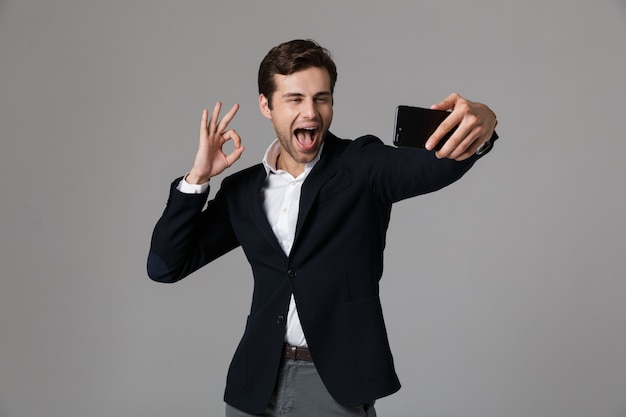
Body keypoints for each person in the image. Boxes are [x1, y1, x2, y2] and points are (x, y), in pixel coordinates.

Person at [147, 39, 498, 416]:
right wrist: (197, 179)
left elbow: (438, 166)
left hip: (333, 385)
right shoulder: (243, 191)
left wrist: (484, 121)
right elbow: (166, 266)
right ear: (266, 105)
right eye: (294, 99)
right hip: (254, 384)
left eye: (321, 98)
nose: (310, 112)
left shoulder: (361, 166)